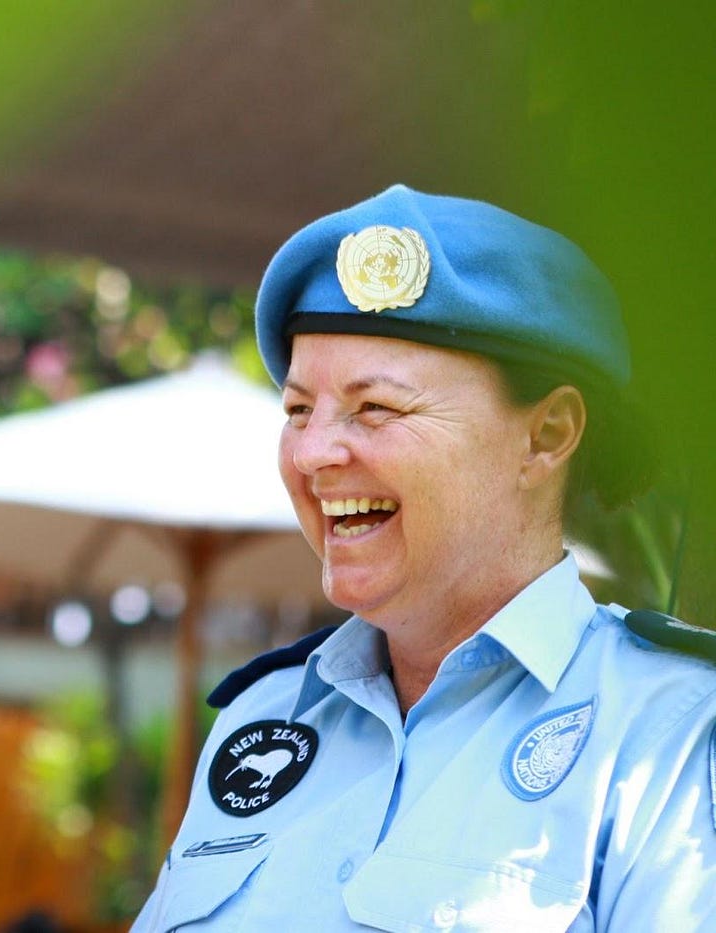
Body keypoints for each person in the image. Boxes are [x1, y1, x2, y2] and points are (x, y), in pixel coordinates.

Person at [133, 186, 716, 930]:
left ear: (546, 434)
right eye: (297, 409)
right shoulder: (262, 715)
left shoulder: (668, 732)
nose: (312, 452)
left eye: (376, 407)